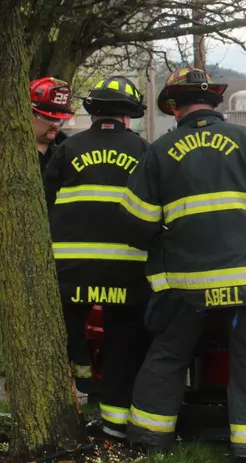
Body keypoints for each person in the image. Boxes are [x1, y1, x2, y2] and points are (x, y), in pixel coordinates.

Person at [120, 67, 246, 463]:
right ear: (215, 103)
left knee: (168, 355)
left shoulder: (159, 152)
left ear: (173, 107)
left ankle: (148, 442)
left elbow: (136, 225)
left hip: (186, 283)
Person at [42, 75, 152, 439]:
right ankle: (116, 424)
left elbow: (46, 201)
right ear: (129, 116)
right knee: (122, 342)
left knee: (68, 335)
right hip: (127, 271)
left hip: (72, 271)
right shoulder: (143, 150)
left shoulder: (67, 149)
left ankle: (76, 394)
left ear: (94, 112)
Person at [30, 76, 74, 172]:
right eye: (49, 118)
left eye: (58, 119)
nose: (55, 125)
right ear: (29, 115)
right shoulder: (9, 148)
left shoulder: (70, 149)